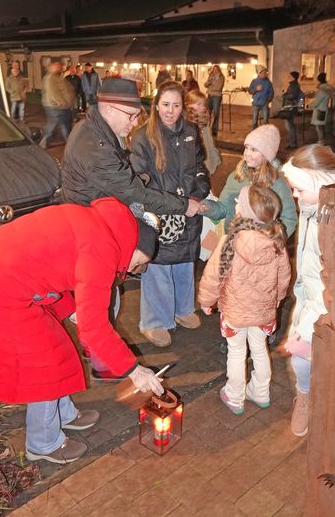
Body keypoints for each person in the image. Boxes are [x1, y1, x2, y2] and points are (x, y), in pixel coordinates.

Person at [0, 197, 164, 464]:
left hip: (7, 278)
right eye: (138, 262)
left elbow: (52, 264)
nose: (131, 270)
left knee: (58, 350)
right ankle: (43, 443)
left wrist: (73, 309)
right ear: (135, 245)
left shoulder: (102, 226)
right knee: (45, 365)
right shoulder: (103, 248)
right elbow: (95, 330)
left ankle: (62, 414)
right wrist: (134, 370)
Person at [281, 145, 335, 436]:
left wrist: (307, 326)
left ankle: (313, 398)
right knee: (303, 357)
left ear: (324, 182)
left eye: (299, 189)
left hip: (330, 307)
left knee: (305, 357)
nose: (295, 195)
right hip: (310, 300)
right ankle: (306, 395)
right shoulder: (313, 206)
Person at [130, 80, 211, 348]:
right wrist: (161, 205)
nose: (170, 111)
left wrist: (199, 190)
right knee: (159, 265)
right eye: (165, 104)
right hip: (160, 211)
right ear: (156, 105)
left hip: (188, 208)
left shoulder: (190, 131)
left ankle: (182, 308)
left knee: (185, 261)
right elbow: (138, 179)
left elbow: (199, 165)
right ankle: (154, 321)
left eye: (176, 105)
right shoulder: (143, 136)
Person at [198, 185, 291, 414]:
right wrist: (277, 300)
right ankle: (260, 392)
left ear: (248, 212)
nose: (236, 203)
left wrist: (206, 301)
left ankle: (235, 395)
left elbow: (214, 275)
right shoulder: (277, 241)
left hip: (235, 313)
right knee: (260, 349)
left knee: (237, 352)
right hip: (264, 312)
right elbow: (284, 278)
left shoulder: (231, 240)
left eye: (240, 202)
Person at [62, 77, 202, 218]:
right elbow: (133, 194)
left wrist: (140, 178)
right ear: (110, 110)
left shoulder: (93, 128)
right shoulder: (94, 147)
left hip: (95, 211)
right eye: (131, 115)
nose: (135, 123)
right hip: (90, 219)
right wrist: (184, 206)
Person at [202, 124, 297, 239]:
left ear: (267, 154)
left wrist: (270, 241)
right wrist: (206, 207)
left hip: (262, 244)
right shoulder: (236, 177)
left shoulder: (278, 184)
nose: (247, 153)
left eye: (253, 150)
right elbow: (223, 208)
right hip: (234, 240)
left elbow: (289, 219)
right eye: (246, 148)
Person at [40, 58, 75, 149]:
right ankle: (45, 142)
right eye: (57, 66)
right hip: (55, 106)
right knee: (56, 124)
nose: (60, 68)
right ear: (51, 67)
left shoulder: (58, 77)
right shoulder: (50, 78)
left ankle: (69, 142)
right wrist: (61, 102)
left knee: (64, 124)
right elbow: (53, 92)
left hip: (62, 106)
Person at [185, 89, 222, 175]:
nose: (203, 107)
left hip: (207, 151)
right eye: (198, 104)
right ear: (189, 105)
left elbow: (209, 139)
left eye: (203, 104)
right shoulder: (188, 123)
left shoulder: (204, 120)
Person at [309, 72, 334, 145]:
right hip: (324, 109)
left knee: (319, 127)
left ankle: (321, 141)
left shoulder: (322, 90)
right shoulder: (327, 88)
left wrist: (310, 105)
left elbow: (317, 102)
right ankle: (322, 140)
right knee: (321, 126)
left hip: (319, 110)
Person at [248, 65, 274, 129]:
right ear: (259, 73)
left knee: (265, 121)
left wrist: (268, 101)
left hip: (264, 104)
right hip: (255, 103)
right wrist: (256, 89)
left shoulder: (268, 82)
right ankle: (255, 132)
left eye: (266, 72)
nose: (266, 74)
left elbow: (272, 92)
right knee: (254, 121)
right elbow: (250, 91)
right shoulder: (254, 81)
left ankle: (264, 132)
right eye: (264, 72)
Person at [281, 71, 302, 149]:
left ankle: (292, 144)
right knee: (290, 126)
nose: (288, 78)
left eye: (290, 76)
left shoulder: (294, 85)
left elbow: (292, 96)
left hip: (290, 107)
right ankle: (291, 142)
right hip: (289, 107)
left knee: (290, 126)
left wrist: (284, 95)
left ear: (293, 78)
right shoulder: (293, 85)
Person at [204, 64, 225, 136]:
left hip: (217, 97)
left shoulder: (221, 77)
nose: (215, 71)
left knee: (216, 113)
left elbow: (219, 87)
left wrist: (210, 86)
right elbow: (205, 85)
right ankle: (206, 127)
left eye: (216, 69)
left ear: (219, 70)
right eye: (214, 69)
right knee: (207, 112)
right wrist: (209, 82)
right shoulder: (211, 76)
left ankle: (214, 129)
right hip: (210, 96)